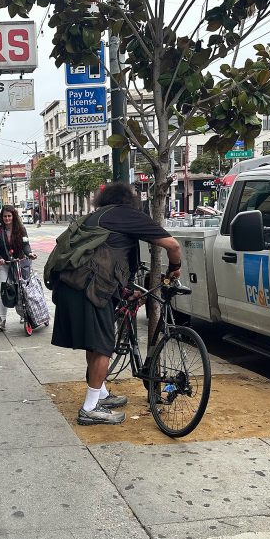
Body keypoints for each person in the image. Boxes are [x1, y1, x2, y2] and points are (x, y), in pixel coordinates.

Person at [44, 182, 181, 426]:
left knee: (94, 343)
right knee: (103, 346)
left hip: (69, 285)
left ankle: (102, 394)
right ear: (129, 200)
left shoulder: (93, 217)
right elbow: (173, 245)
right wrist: (175, 269)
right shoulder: (126, 215)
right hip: (91, 288)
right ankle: (90, 408)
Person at [0, 206, 36, 331]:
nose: (7, 218)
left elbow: (26, 245)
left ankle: (23, 315)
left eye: (9, 216)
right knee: (2, 290)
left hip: (18, 264)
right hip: (4, 264)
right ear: (1, 217)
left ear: (13, 216)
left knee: (21, 290)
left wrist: (29, 254)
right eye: (5, 216)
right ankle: (2, 320)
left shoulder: (21, 229)